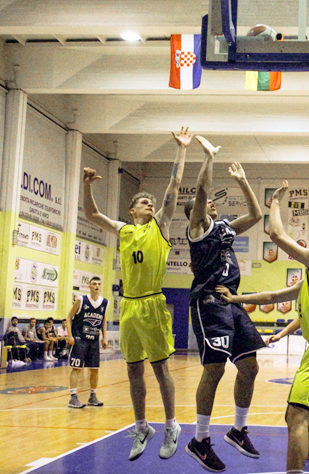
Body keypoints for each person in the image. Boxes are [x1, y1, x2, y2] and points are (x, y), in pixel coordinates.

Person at [217, 181, 309, 474]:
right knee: (298, 416)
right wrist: (235, 298)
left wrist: (275, 202)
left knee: (297, 418)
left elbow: (276, 234)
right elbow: (274, 296)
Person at [83, 127, 194, 461]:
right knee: (133, 370)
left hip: (152, 303)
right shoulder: (125, 229)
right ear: (133, 210)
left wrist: (181, 150)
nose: (152, 203)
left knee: (160, 369)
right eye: (145, 201)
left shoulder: (159, 226)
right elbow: (91, 215)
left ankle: (171, 424)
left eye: (152, 202)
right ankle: (142, 425)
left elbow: (173, 188)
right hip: (129, 306)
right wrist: (87, 186)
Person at [182, 138, 265, 471]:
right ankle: (200, 439)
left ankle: (238, 429)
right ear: (196, 216)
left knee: (250, 368)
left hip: (232, 303)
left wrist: (243, 182)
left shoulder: (226, 228)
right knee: (214, 369)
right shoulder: (197, 230)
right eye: (204, 208)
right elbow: (201, 195)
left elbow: (256, 214)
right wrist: (208, 157)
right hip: (209, 303)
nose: (212, 206)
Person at [65, 276, 109, 409]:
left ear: (101, 287)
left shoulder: (105, 303)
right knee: (77, 368)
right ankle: (73, 397)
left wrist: (104, 338)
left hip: (94, 341)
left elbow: (104, 321)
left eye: (99, 284)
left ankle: (93, 396)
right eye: (94, 284)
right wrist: (70, 335)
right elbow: (68, 317)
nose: (96, 286)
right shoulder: (81, 300)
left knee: (95, 370)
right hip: (80, 339)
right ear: (89, 286)